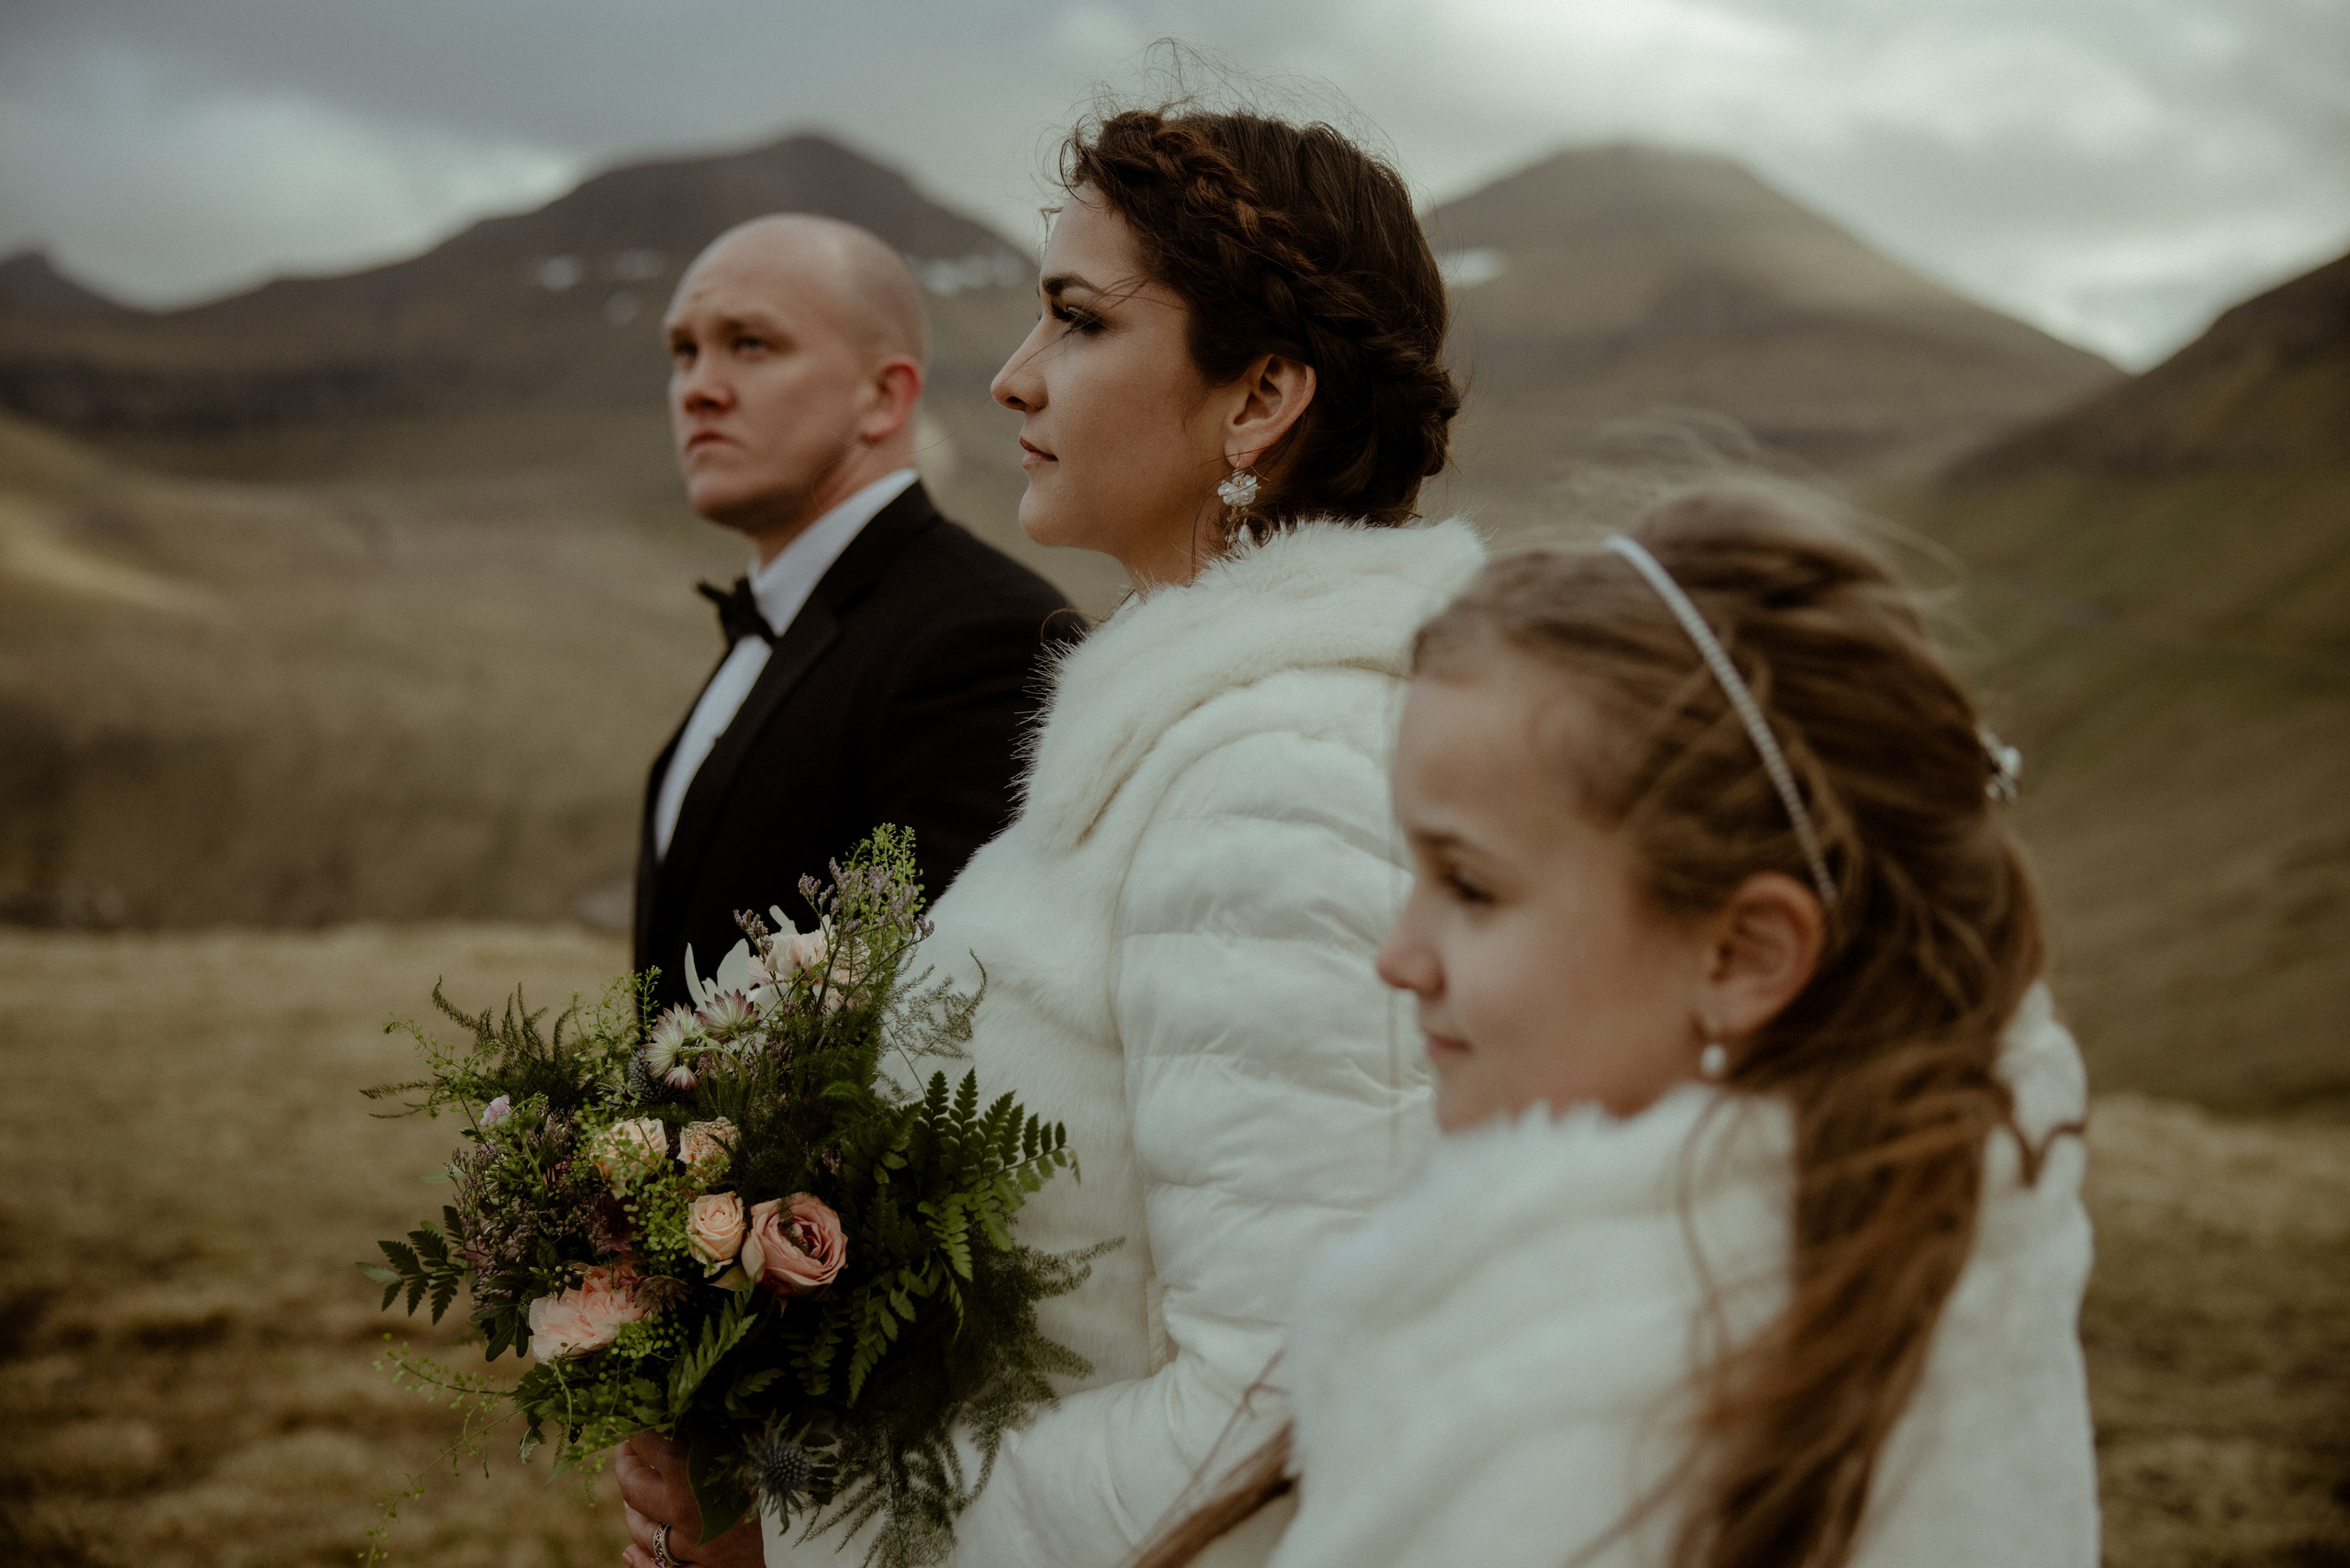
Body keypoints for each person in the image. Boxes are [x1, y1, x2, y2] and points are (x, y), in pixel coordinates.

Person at [615, 105, 1478, 1568]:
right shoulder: (1171, 739)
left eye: (1077, 322)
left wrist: (810, 1517)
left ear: (1261, 393)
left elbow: (1278, 1407)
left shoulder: (1285, 780)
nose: (1014, 377)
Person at [1139, 488, 2100, 1568]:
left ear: (1742, 956)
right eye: (1413, 871)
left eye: (1470, 886)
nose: (1396, 957)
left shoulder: (1605, 1445)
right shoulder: (1926, 1251)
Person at [630, 214, 1068, 1018]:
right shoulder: (781, 622)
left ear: (883, 395)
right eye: (684, 351)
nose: (698, 387)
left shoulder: (982, 637)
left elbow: (965, 1024)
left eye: (750, 344)